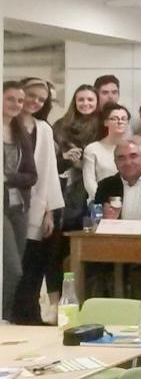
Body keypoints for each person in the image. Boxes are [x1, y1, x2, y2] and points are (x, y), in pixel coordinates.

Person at [12, 78, 64, 325]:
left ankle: (29, 316)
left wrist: (50, 212)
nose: (34, 102)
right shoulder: (7, 124)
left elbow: (49, 172)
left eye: (41, 99)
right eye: (31, 95)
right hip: (10, 206)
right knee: (13, 266)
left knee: (33, 265)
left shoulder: (43, 128)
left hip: (36, 205)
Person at [2, 81, 37, 321]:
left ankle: (5, 317)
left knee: (16, 271)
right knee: (12, 268)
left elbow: (32, 176)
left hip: (19, 207)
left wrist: (8, 177)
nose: (16, 104)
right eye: (10, 98)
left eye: (20, 100)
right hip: (1, 208)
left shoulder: (20, 132)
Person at [52, 84, 101, 230]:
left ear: (97, 102)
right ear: (75, 102)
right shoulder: (61, 125)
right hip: (69, 184)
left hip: (98, 180)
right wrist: (66, 158)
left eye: (90, 99)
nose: (86, 103)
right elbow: (51, 162)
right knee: (70, 225)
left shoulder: (104, 125)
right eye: (81, 100)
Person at [82, 104, 131, 202]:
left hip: (128, 201)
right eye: (114, 118)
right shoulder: (92, 149)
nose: (120, 122)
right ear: (106, 122)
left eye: (123, 119)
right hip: (99, 201)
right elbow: (89, 181)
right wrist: (102, 199)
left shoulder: (133, 149)